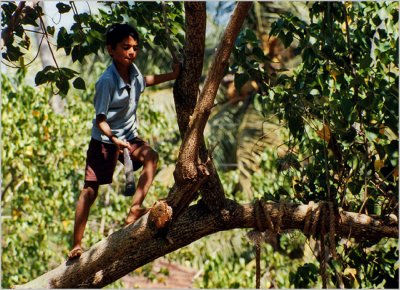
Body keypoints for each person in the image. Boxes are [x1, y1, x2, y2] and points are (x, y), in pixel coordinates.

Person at [68, 23, 180, 260]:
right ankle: (76, 244)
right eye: (126, 47)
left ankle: (134, 209)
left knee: (152, 157)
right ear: (111, 49)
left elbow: (146, 81)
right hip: (104, 139)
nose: (131, 52)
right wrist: (113, 139)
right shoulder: (106, 81)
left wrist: (173, 75)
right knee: (89, 191)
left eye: (135, 48)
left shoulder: (134, 71)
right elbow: (100, 120)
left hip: (128, 137)